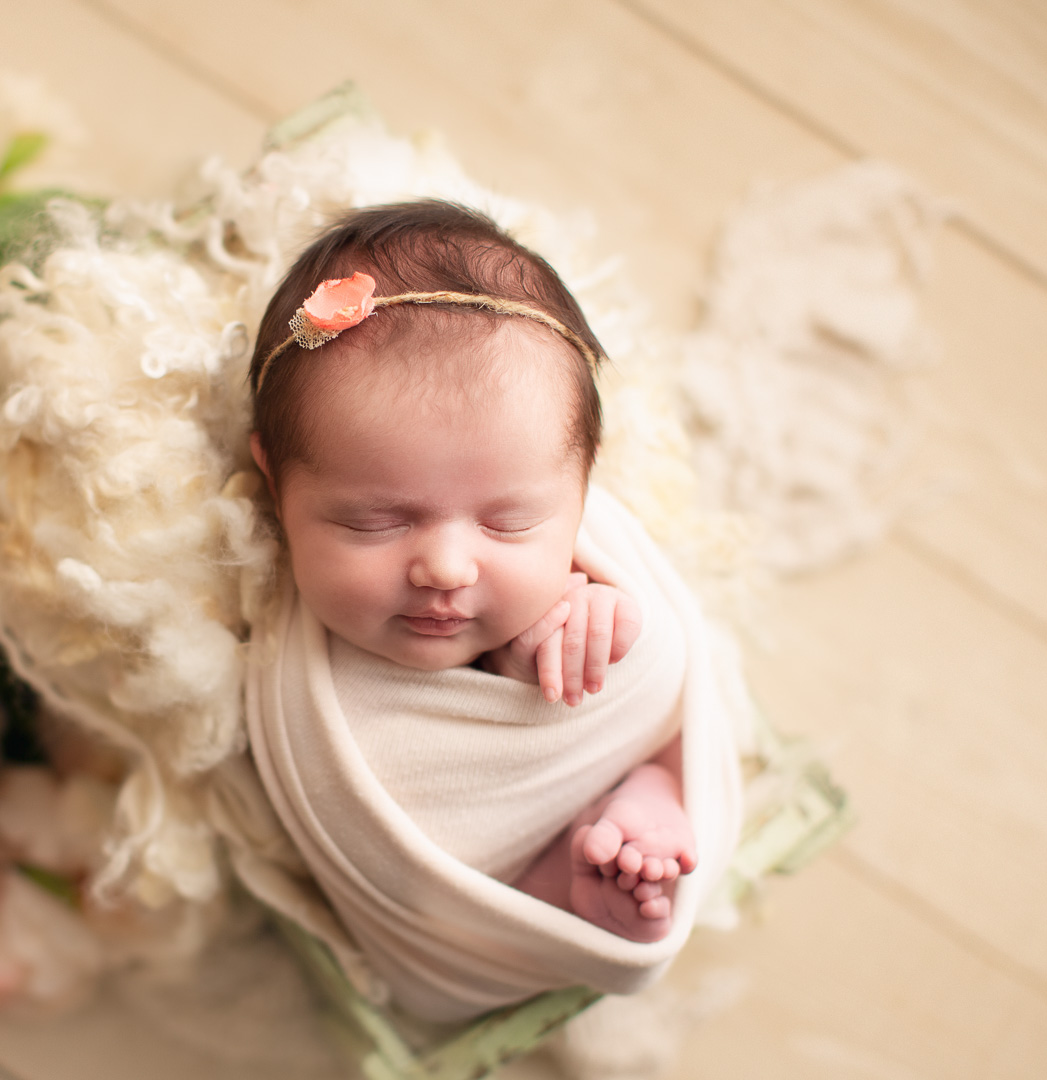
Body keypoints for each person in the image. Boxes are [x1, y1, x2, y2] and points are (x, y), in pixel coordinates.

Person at [244, 201, 719, 1000]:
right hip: (466, 890)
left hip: (607, 757)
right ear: (274, 478)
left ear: (582, 481)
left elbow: (662, 679)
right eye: (374, 521)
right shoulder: (287, 669)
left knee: (648, 651)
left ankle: (650, 798)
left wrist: (594, 619)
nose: (445, 567)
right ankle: (563, 899)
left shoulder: (585, 548)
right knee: (453, 899)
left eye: (509, 521)